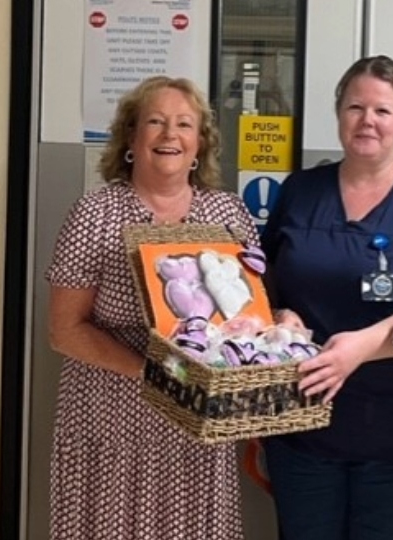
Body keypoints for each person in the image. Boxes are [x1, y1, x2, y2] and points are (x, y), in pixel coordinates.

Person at [260, 55, 393, 540]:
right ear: (338, 114)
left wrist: (359, 349)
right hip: (302, 427)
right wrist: (279, 314)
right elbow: (264, 281)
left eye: (383, 110)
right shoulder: (300, 190)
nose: (368, 120)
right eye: (355, 107)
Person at [46, 76, 253, 539]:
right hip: (111, 420)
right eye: (155, 122)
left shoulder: (229, 216)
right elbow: (64, 331)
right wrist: (157, 374)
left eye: (184, 124)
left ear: (200, 144)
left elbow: (248, 319)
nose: (169, 135)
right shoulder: (94, 215)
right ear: (130, 140)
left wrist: (280, 327)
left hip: (196, 424)